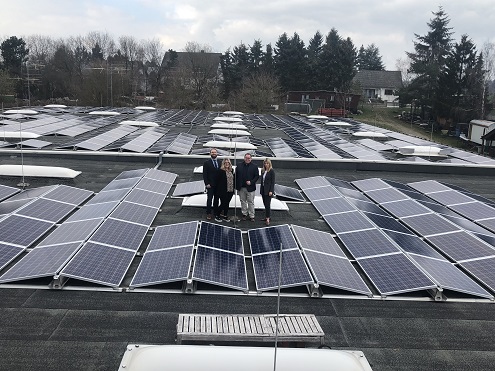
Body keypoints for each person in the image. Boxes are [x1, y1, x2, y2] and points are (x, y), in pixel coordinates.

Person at [235, 152, 259, 222]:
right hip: (241, 188)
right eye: (246, 158)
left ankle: (252, 215)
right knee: (243, 201)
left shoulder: (254, 166)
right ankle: (244, 214)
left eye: (249, 158)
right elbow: (236, 176)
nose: (247, 159)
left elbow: (256, 176)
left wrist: (251, 182)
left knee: (250, 202)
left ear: (251, 159)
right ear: (244, 158)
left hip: (250, 188)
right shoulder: (239, 165)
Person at [203, 148, 220, 220]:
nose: (214, 153)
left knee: (216, 199)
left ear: (217, 153)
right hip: (210, 185)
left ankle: (216, 212)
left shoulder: (220, 162)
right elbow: (205, 174)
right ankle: (208, 213)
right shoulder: (207, 163)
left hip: (218, 185)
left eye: (215, 152)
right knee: (209, 199)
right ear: (210, 154)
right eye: (212, 152)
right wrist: (207, 183)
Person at [260, 158, 275, 226]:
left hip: (268, 190)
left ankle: (268, 218)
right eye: (265, 163)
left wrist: (271, 191)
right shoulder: (263, 170)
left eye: (267, 163)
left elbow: (273, 182)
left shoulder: (271, 171)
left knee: (268, 204)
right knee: (265, 204)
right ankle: (266, 216)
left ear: (270, 164)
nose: (266, 164)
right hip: (263, 189)